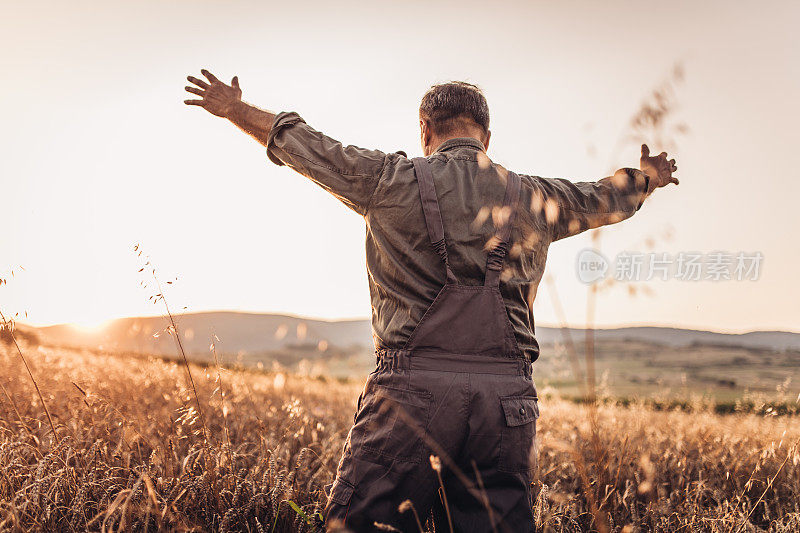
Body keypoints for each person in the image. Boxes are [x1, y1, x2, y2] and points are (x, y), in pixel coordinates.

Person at [184, 70, 678, 532]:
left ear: (425, 131)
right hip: (505, 405)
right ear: (487, 137)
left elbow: (308, 147)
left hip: (410, 396)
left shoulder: (388, 179)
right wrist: (647, 177)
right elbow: (605, 198)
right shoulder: (536, 197)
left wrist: (236, 109)